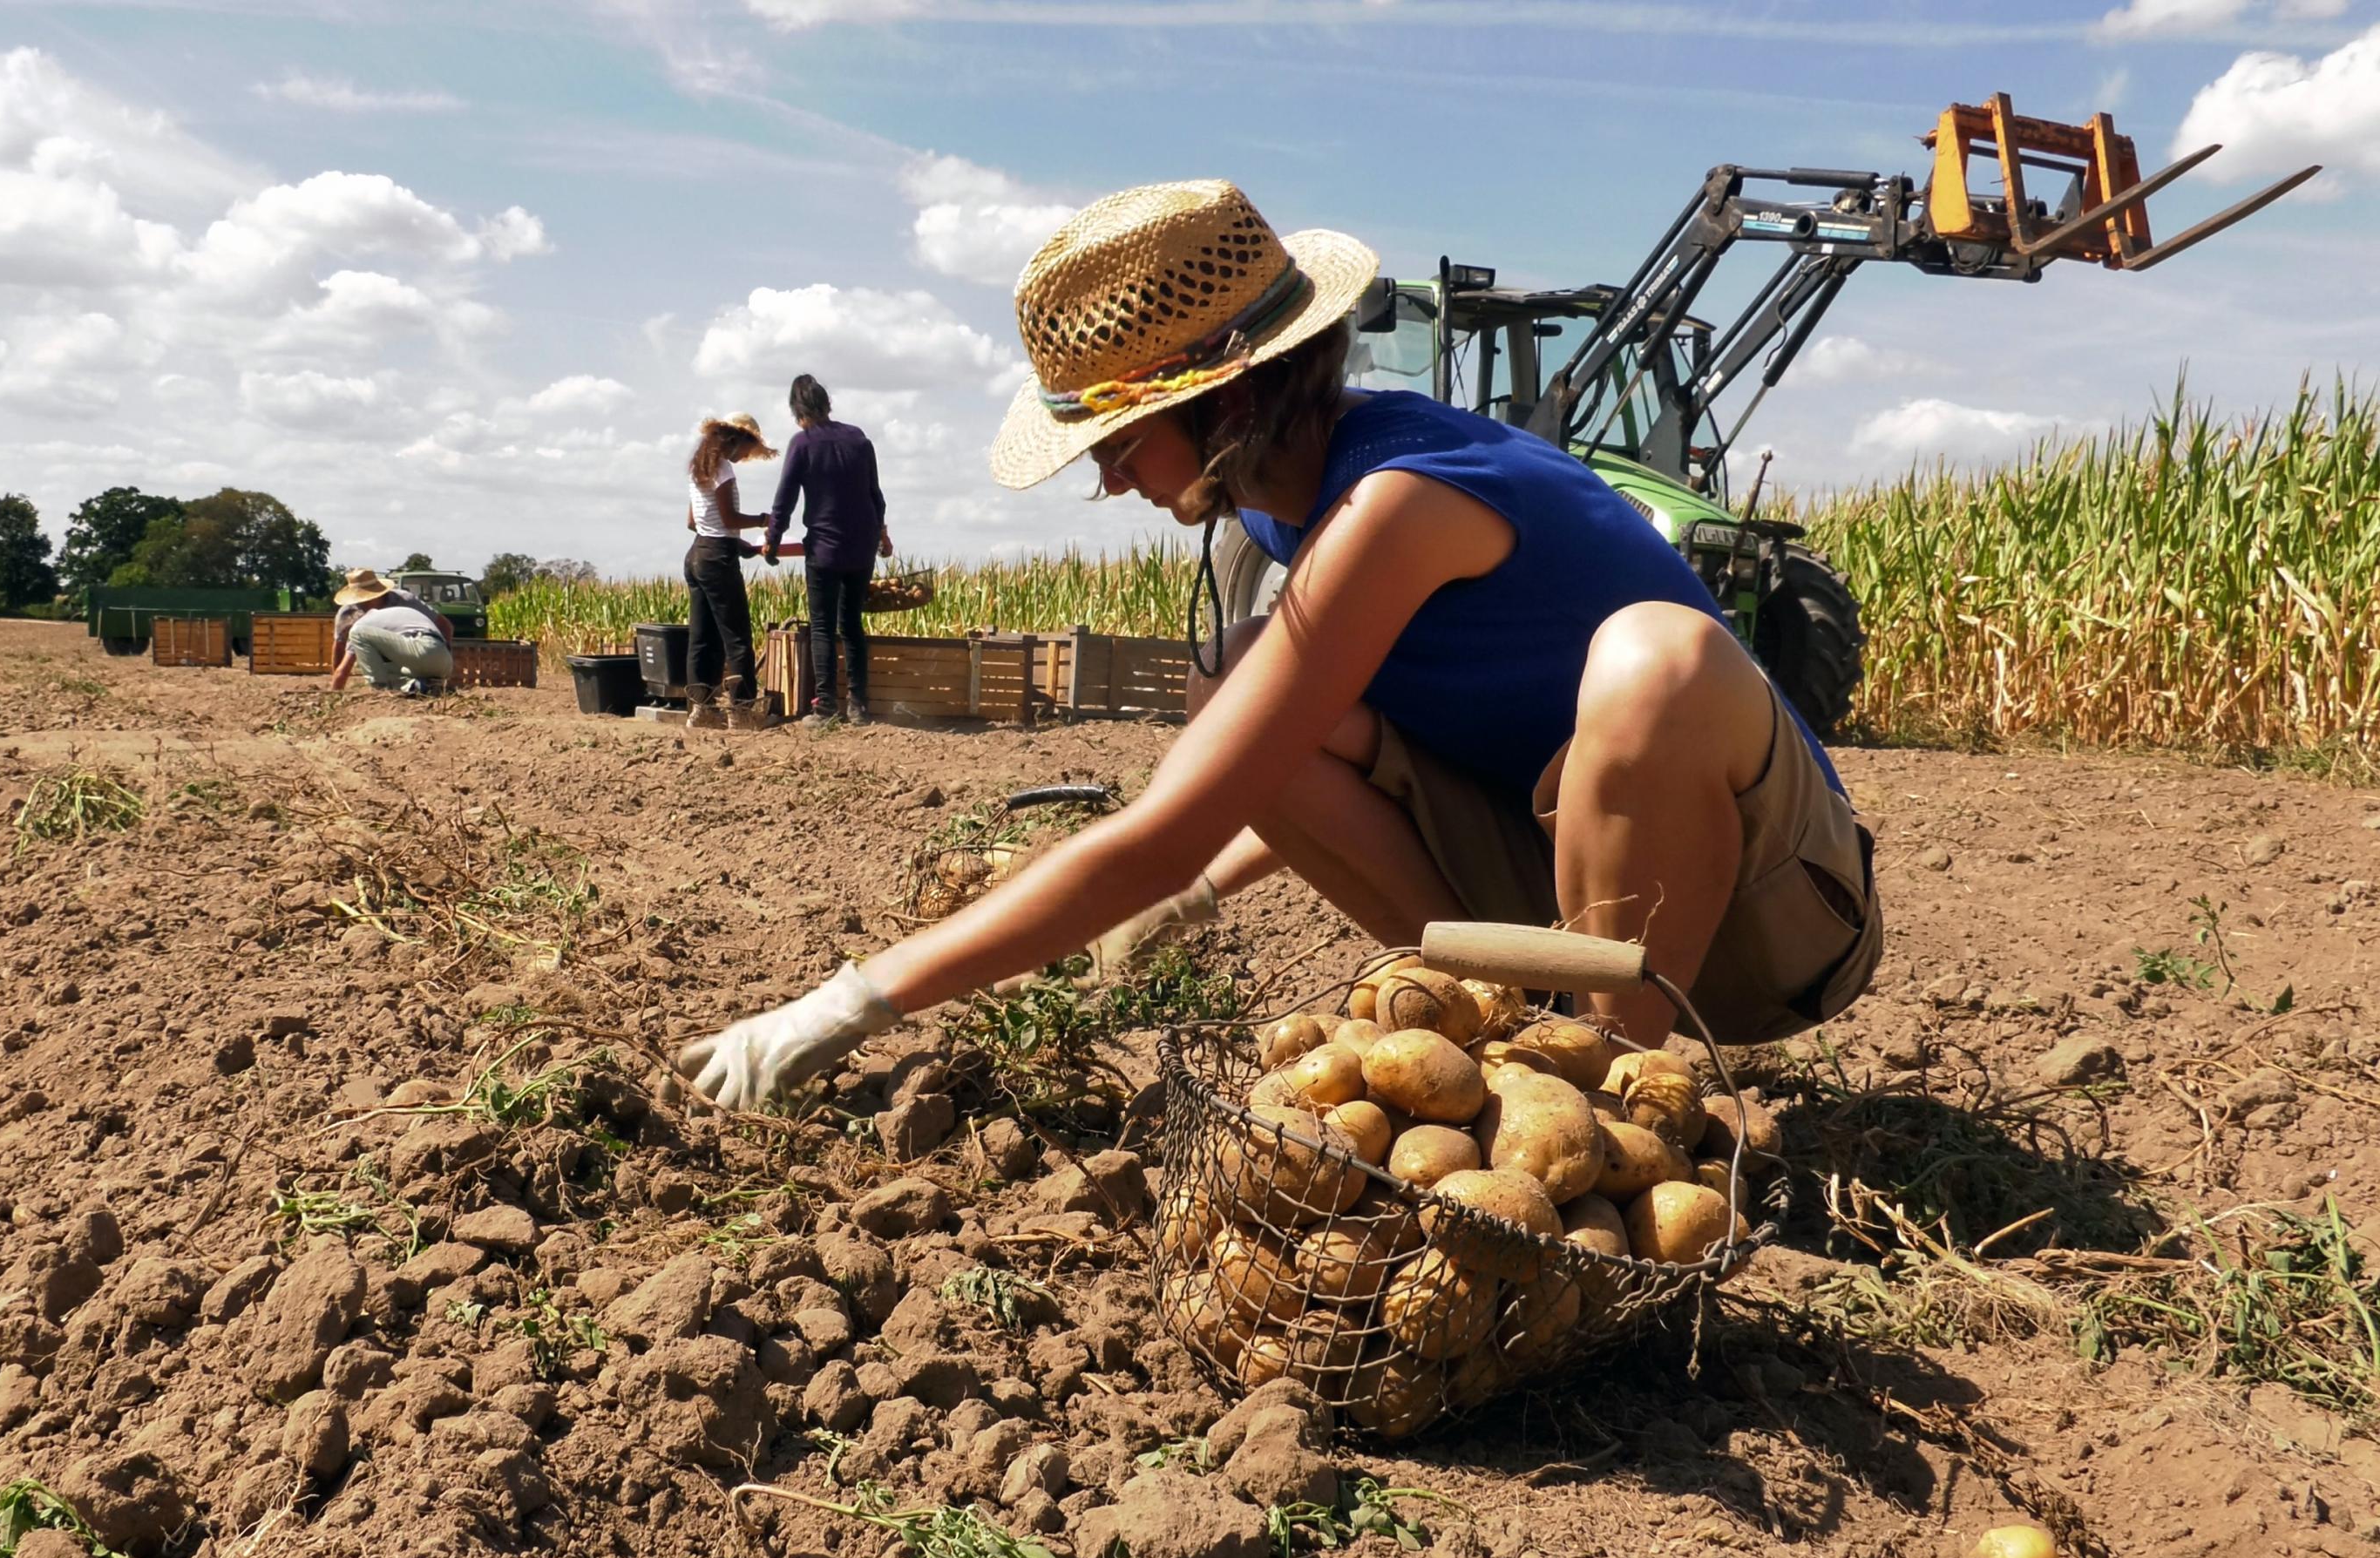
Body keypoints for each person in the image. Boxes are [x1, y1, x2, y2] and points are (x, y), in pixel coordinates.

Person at [678, 179, 1883, 1109]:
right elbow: (1264, 763)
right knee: (1233, 678)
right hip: (1561, 886)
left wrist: (849, 1004)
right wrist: (1203, 893)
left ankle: (1603, 1103)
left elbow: (1160, 831)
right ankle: (1515, 1034)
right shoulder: (1273, 504)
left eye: (1122, 439)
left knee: (1654, 662)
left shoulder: (1396, 503)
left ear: (1228, 401)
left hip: (1773, 925)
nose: (1107, 479)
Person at [767, 375, 892, 725]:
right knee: (851, 624)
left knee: (822, 626)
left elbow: (785, 498)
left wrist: (773, 541)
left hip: (824, 549)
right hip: (861, 548)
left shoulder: (802, 443)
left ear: (798, 411)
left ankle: (825, 707)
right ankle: (859, 707)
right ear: (827, 404)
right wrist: (881, 535)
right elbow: (875, 495)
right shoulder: (858, 439)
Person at [684, 412, 777, 732]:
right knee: (737, 638)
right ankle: (742, 710)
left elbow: (694, 523)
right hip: (717, 560)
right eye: (746, 448)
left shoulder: (700, 468)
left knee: (702, 638)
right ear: (735, 440)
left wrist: (742, 547)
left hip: (698, 555)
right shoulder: (723, 470)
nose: (744, 456)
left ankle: (701, 708)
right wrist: (763, 520)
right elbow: (729, 519)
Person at [329, 567, 454, 694]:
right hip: (440, 660)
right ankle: (419, 686)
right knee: (388, 665)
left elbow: (343, 669)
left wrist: (335, 693)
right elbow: (339, 645)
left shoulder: (363, 620)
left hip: (418, 648)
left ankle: (380, 689)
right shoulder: (402, 609)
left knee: (358, 634)